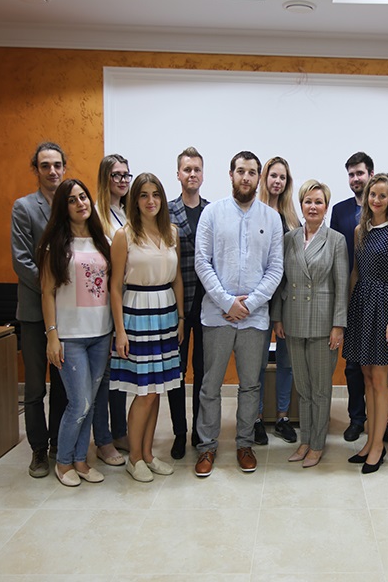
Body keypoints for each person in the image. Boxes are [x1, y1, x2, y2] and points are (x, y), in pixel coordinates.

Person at [193, 151, 284, 477]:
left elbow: (275, 269)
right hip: (217, 317)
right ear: (231, 175)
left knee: (250, 386)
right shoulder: (212, 214)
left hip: (255, 320)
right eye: (240, 171)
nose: (246, 177)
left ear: (258, 178)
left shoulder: (271, 219)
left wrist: (250, 304)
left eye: (251, 173)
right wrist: (227, 302)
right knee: (210, 386)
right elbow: (202, 262)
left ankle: (244, 444)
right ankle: (207, 448)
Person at [39, 179, 113, 486]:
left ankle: (81, 460)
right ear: (63, 207)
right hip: (70, 336)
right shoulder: (54, 245)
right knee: (79, 402)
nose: (81, 203)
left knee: (91, 402)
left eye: (83, 197)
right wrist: (52, 335)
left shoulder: (102, 240)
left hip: (101, 333)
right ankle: (64, 462)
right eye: (72, 200)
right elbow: (46, 292)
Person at [110, 173, 183, 483]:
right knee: (143, 392)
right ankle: (134, 458)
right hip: (137, 313)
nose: (150, 200)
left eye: (155, 194)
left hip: (166, 313)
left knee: (157, 391)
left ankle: (149, 454)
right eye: (143, 195)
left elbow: (177, 278)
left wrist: (180, 319)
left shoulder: (172, 232)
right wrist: (120, 331)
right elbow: (114, 287)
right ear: (134, 200)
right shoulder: (124, 235)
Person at [272, 180, 348, 467]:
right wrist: (277, 316)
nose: (313, 206)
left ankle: (317, 444)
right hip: (293, 321)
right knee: (302, 388)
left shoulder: (336, 240)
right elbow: (282, 281)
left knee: (320, 389)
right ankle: (305, 440)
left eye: (318, 202)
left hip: (323, 324)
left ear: (326, 207)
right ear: (301, 205)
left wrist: (338, 325)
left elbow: (342, 286)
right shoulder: (289, 238)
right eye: (308, 201)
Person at [11, 141, 69, 478]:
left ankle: (58, 443)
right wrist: (53, 289)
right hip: (35, 312)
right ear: (36, 169)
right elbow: (21, 261)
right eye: (45, 165)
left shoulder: (69, 204)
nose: (52, 171)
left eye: (57, 165)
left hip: (66, 315)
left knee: (62, 384)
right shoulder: (24, 207)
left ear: (64, 168)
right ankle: (37, 450)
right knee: (35, 386)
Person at [343, 173, 388, 474]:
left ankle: (379, 446)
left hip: (383, 306)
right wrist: (346, 310)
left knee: (380, 378)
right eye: (372, 195)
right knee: (366, 375)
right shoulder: (360, 230)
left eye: (382, 195)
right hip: (361, 303)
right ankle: (370, 440)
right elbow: (356, 271)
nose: (376, 200)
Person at [330, 151, 388, 444]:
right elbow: (337, 256)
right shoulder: (341, 212)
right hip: (354, 297)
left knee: (380, 368)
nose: (356, 179)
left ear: (371, 175)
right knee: (354, 367)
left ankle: (381, 423)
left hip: (381, 299)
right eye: (351, 174)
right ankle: (358, 418)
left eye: (360, 173)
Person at [167, 147, 210, 459]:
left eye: (197, 169)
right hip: (177, 305)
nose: (192, 174)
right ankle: (179, 432)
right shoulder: (165, 212)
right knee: (176, 371)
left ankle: (199, 429)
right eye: (187, 169)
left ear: (202, 174)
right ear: (178, 174)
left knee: (203, 371)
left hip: (208, 305)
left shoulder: (213, 211)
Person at [254, 156, 299, 446]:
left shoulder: (292, 219)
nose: (277, 181)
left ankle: (282, 416)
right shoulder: (253, 213)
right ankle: (256, 418)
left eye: (282, 177)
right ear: (264, 178)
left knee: (286, 361)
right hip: (258, 299)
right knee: (256, 362)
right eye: (273, 175)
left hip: (286, 301)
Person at [91, 154, 131, 467]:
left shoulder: (126, 211)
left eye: (126, 175)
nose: (122, 181)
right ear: (105, 179)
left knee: (118, 373)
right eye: (116, 175)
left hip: (126, 300)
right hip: (102, 302)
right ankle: (103, 439)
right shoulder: (95, 215)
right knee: (103, 377)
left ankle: (119, 431)